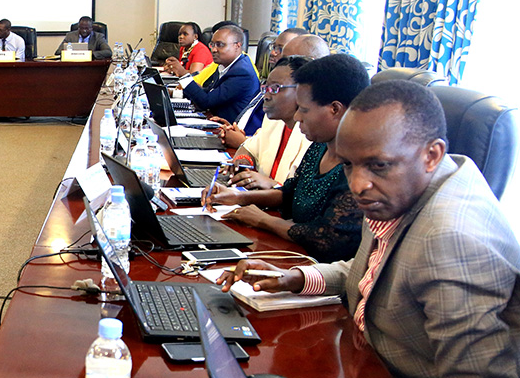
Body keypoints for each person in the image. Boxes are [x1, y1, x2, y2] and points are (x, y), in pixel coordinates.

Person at [216, 80, 520, 377]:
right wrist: (292, 278)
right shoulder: (406, 186)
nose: (358, 185)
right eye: (349, 165)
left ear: (432, 155)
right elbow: (376, 273)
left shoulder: (453, 242)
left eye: (378, 165)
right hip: (358, 354)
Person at [202, 54, 370, 262]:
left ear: (335, 109)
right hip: (292, 254)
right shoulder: (320, 146)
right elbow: (290, 192)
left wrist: (262, 219)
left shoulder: (358, 167)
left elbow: (326, 239)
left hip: (317, 271)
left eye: (304, 110)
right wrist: (238, 197)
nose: (298, 117)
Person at [218, 33, 330, 148]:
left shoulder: (313, 128)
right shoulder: (276, 105)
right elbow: (259, 146)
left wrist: (242, 142)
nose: (273, 54)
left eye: (288, 58)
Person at [224, 56, 312, 190]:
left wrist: (272, 184)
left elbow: (303, 197)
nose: (266, 96)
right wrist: (242, 162)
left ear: (302, 91)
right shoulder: (274, 121)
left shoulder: (314, 135)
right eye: (266, 87)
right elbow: (248, 148)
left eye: (275, 88)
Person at [162, 25, 259, 123]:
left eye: (220, 45)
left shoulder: (242, 72)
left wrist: (183, 75)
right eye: (212, 44)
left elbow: (206, 102)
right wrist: (174, 93)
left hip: (228, 129)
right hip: (214, 120)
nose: (214, 49)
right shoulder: (225, 65)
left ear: (237, 46)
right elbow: (208, 92)